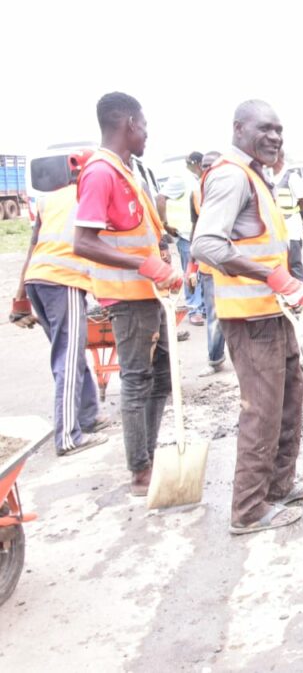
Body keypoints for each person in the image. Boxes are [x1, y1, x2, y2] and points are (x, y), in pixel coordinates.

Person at [191, 100, 303, 534]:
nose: (275, 137)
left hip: (272, 312)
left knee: (289, 400)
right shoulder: (230, 175)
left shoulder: (257, 177)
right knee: (262, 410)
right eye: (265, 128)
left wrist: (286, 285)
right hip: (249, 317)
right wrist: (272, 277)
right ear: (239, 128)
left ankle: (279, 487)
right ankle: (247, 509)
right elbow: (205, 245)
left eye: (279, 129)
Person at [73, 92, 181, 496]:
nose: (147, 136)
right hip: (128, 297)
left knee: (162, 378)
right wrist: (142, 265)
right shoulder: (101, 172)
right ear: (130, 124)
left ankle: (147, 454)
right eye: (145, 127)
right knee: (137, 380)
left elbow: (138, 233)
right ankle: (140, 470)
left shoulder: (126, 170)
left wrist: (163, 259)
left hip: (149, 292)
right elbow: (82, 241)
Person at [11, 148, 111, 456]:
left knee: (71, 353)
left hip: (38, 281)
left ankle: (89, 416)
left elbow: (32, 247)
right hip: (62, 280)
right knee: (67, 359)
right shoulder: (89, 196)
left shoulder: (47, 199)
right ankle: (68, 436)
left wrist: (20, 299)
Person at [186, 151, 227, 376]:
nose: (209, 170)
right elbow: (196, 229)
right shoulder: (197, 192)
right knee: (214, 316)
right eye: (205, 166)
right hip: (209, 268)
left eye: (214, 165)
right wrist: (191, 266)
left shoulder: (233, 187)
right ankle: (214, 359)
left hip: (233, 265)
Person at [157, 151, 205, 324]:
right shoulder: (181, 178)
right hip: (185, 233)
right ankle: (194, 309)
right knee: (190, 272)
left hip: (198, 233)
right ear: (198, 164)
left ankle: (202, 307)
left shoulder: (195, 178)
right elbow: (161, 198)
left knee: (201, 272)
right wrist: (164, 223)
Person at [271, 148, 303, 283]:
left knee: (294, 265)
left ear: (277, 157)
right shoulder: (269, 177)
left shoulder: (292, 176)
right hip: (277, 229)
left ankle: (302, 299)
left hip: (291, 228)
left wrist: (296, 219)